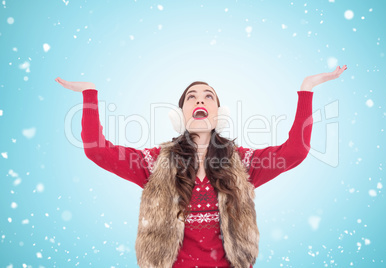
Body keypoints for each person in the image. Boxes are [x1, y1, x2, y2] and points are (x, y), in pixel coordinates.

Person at [55, 64, 347, 268]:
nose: (200, 99)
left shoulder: (241, 163)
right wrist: (89, 93)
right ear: (181, 114)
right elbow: (97, 150)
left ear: (218, 113)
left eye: (209, 96)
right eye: (191, 97)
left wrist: (306, 89)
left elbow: (294, 152)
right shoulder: (154, 163)